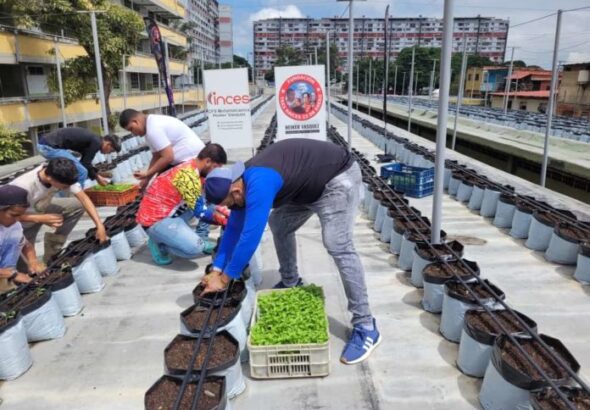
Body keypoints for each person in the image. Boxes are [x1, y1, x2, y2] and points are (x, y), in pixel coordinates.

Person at [200, 138, 380, 365]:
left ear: (235, 191)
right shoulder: (238, 184)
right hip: (306, 188)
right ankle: (290, 280)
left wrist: (225, 278)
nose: (229, 209)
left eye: (227, 204)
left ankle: (366, 326)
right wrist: (216, 270)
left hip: (336, 179)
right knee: (281, 223)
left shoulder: (259, 183)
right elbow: (233, 230)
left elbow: (249, 237)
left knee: (337, 244)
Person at [136, 143, 229, 265]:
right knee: (195, 248)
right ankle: (159, 243)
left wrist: (226, 212)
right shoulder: (187, 176)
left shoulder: (195, 168)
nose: (216, 172)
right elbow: (200, 212)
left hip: (170, 211)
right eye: (216, 167)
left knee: (206, 200)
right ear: (207, 161)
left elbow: (209, 200)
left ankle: (195, 238)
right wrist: (225, 221)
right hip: (155, 221)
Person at [11, 158, 108, 265]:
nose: (65, 189)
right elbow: (6, 216)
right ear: (49, 177)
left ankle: (52, 252)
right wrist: (39, 218)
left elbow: (84, 199)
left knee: (78, 206)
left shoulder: (61, 175)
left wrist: (100, 226)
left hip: (41, 208)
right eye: (64, 186)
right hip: (18, 224)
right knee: (29, 268)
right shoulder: (23, 187)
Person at [118, 109, 205, 190]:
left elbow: (168, 157)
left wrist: (147, 173)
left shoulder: (153, 129)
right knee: (157, 185)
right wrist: (146, 179)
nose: (133, 134)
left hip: (191, 158)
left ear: (135, 121)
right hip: (182, 160)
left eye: (131, 129)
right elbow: (156, 156)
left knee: (163, 188)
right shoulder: (149, 127)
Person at [38, 127, 121, 186]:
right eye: (111, 150)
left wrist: (96, 173)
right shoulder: (96, 142)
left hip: (46, 144)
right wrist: (97, 178)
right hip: (49, 147)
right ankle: (77, 198)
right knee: (82, 172)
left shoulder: (95, 140)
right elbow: (85, 164)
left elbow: (84, 162)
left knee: (72, 170)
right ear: (108, 144)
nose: (109, 153)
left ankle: (66, 193)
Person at [0, 185, 45, 293]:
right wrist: (13, 274)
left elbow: (26, 245)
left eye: (20, 215)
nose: (17, 219)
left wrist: (33, 261)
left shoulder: (14, 226)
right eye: (13, 215)